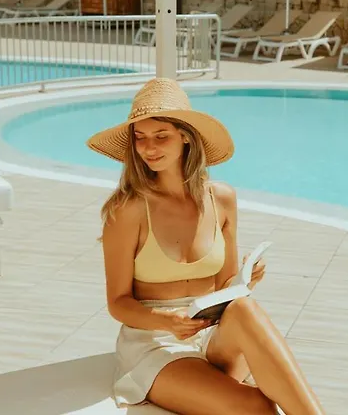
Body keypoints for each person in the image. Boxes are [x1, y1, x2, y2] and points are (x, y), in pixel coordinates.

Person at [86, 78, 325, 415]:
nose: (148, 148)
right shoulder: (128, 210)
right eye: (140, 137)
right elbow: (118, 303)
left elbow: (224, 286)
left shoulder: (221, 199)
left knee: (244, 307)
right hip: (156, 343)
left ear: (185, 136)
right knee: (258, 406)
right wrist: (167, 321)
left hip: (213, 334)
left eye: (161, 136)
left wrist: (245, 280)